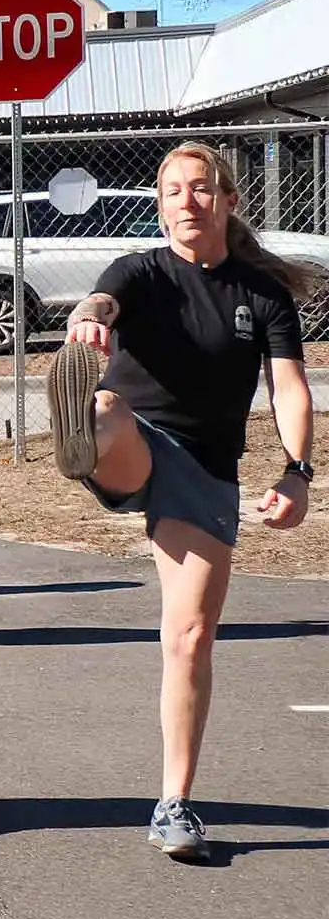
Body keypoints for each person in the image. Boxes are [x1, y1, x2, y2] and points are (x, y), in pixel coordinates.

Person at [44, 142, 311, 863]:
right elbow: (104, 297)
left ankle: (174, 804)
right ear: (159, 204)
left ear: (225, 200)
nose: (185, 201)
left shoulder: (261, 294)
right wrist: (91, 319)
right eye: (171, 190)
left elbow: (288, 387)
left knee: (189, 639)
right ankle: (85, 434)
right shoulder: (141, 270)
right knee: (109, 414)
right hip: (138, 436)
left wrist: (297, 472)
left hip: (205, 466)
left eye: (199, 188)